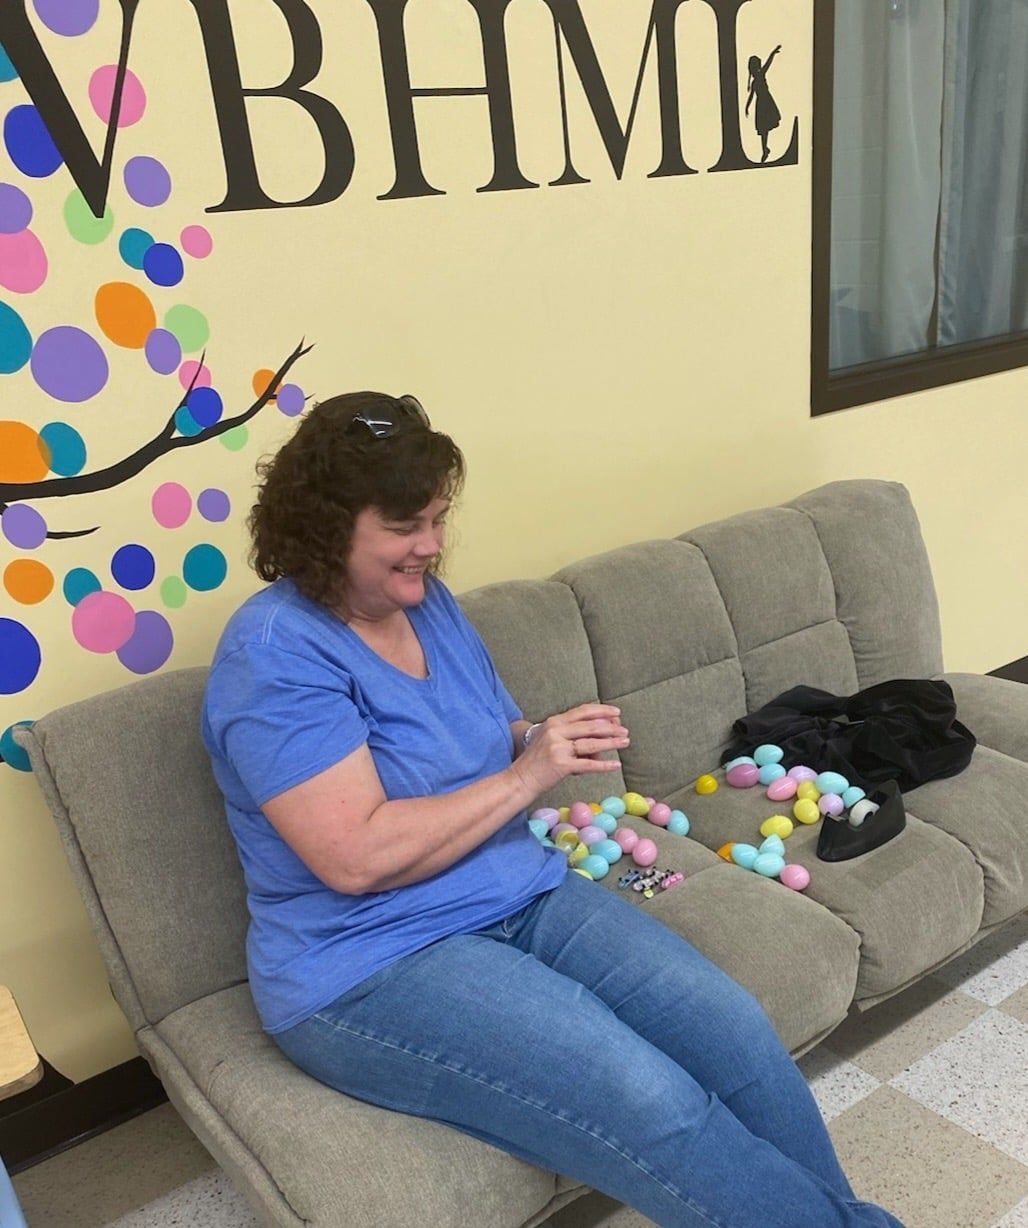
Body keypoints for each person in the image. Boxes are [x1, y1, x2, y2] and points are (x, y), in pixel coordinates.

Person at [202, 391, 906, 1228]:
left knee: (734, 1031)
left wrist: (542, 736)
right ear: (323, 528)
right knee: (652, 1101)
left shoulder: (427, 604)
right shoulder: (274, 658)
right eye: (403, 526)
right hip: (370, 961)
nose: (430, 545)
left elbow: (493, 735)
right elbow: (354, 857)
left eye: (438, 520)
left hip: (519, 887)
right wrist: (528, 774)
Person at [746, 45, 783, 163]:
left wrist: (773, 53)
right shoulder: (754, 82)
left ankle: (765, 150)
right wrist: (747, 107)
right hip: (761, 105)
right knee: (763, 130)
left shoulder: (761, 75)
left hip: (766, 103)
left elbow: (768, 63)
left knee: (765, 128)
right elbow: (751, 95)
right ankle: (764, 149)